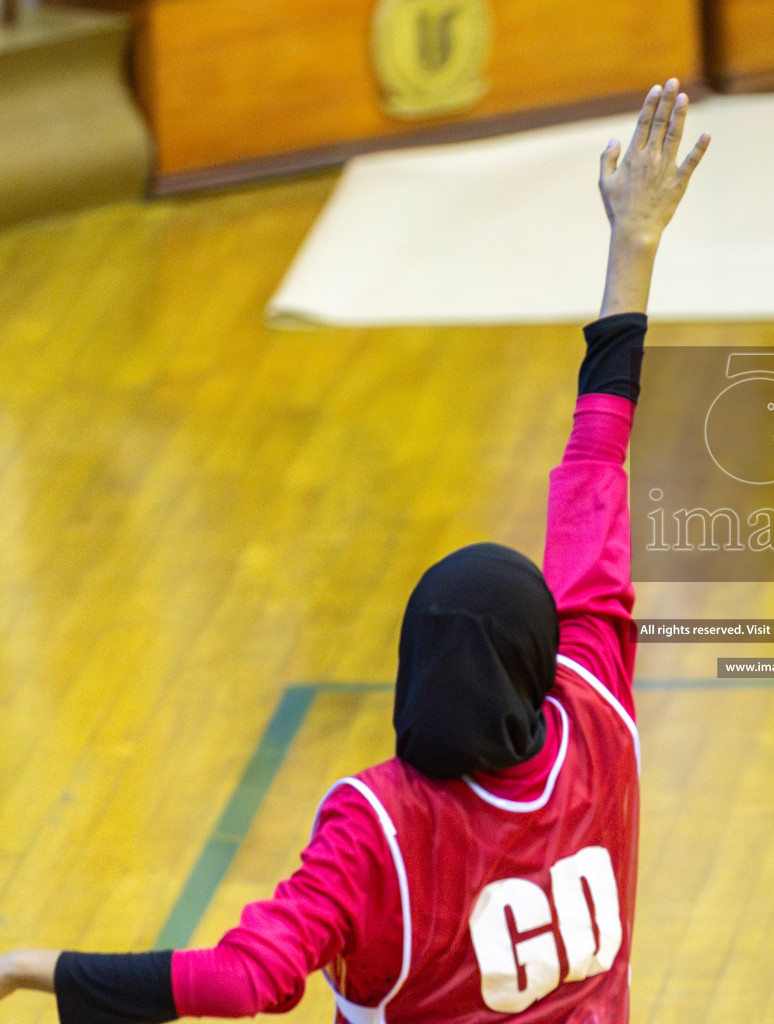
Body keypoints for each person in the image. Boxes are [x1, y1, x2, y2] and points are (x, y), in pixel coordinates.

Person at [0, 78, 709, 1024]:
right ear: (537, 656)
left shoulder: (381, 828)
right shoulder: (594, 712)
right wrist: (636, 249)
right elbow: (596, 464)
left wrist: (27, 965)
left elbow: (245, 978)